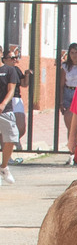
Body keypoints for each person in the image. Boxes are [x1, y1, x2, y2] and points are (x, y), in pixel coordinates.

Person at [0, 55, 20, 183]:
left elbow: (11, 90)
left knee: (12, 138)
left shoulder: (9, 70)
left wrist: (3, 104)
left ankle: (3, 167)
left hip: (5, 111)